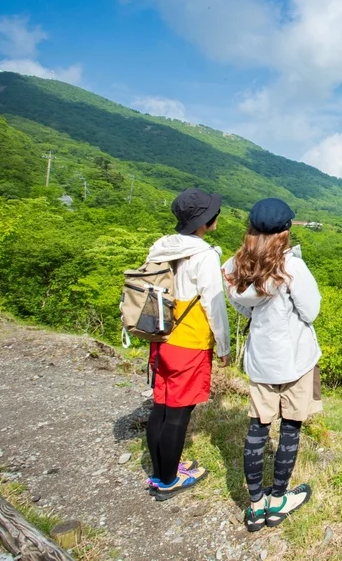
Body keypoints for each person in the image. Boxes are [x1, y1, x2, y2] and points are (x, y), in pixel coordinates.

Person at [222, 198, 322, 532]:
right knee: (291, 425)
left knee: (257, 427)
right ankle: (278, 499)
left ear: (249, 228)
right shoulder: (292, 267)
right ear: (286, 230)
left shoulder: (236, 266)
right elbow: (310, 312)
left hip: (261, 360)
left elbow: (242, 306)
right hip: (296, 360)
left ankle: (255, 505)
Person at [145, 188, 231, 501]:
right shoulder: (204, 256)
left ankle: (158, 473)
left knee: (161, 407)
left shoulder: (161, 248)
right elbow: (214, 305)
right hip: (189, 342)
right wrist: (223, 345)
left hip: (160, 336)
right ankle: (169, 480)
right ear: (204, 220)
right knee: (179, 414)